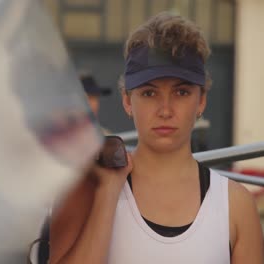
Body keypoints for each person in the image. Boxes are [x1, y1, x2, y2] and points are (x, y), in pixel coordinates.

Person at [49, 12, 263, 264]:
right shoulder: (89, 189)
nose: (165, 110)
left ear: (201, 100)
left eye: (181, 92)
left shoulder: (235, 205)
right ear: (128, 101)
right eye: (150, 93)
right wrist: (108, 193)